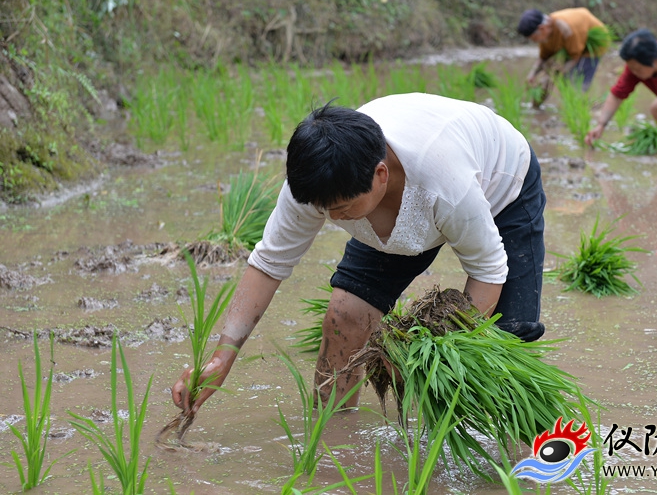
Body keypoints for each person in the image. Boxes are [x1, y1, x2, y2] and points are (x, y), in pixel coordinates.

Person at [171, 93, 547, 413]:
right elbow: (269, 264)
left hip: (503, 185)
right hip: (409, 201)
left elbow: (488, 269)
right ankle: (332, 432)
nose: (333, 218)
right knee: (345, 319)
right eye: (324, 210)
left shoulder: (445, 185)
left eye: (342, 208)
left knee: (506, 341)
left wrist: (446, 356)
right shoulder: (317, 180)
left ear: (380, 175)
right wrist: (222, 357)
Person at [517, 7, 609, 101]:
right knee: (560, 80)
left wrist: (552, 76)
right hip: (572, 45)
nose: (534, 41)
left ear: (542, 28)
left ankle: (579, 103)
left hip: (591, 46)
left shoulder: (566, 29)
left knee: (577, 82)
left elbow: (575, 57)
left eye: (534, 38)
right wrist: (532, 75)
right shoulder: (545, 35)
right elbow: (543, 57)